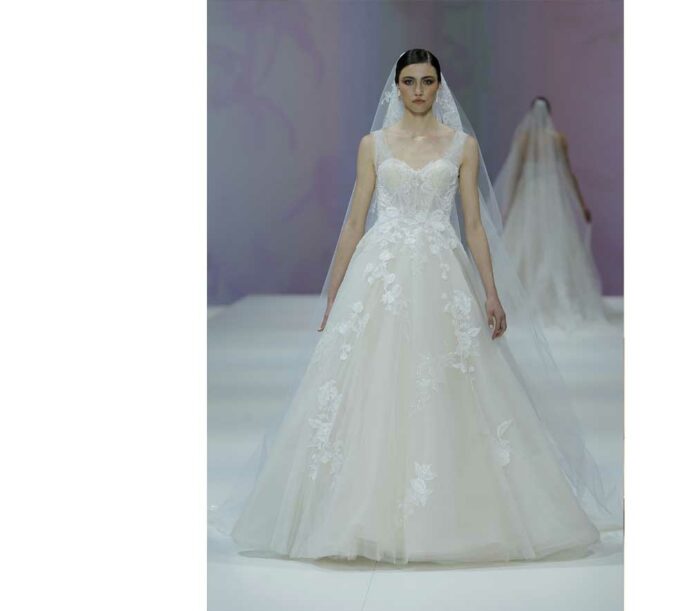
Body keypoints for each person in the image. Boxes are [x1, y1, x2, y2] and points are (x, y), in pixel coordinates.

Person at [208, 49, 621, 565]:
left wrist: (491, 292)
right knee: (372, 381)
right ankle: (356, 513)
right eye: (409, 81)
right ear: (396, 86)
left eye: (427, 81)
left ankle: (452, 510)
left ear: (439, 86)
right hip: (380, 276)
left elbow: (474, 226)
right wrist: (335, 294)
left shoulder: (463, 146)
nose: (419, 90)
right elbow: (354, 222)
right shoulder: (374, 145)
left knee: (448, 383)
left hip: (442, 272)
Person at [494, 97, 609, 329]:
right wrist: (581, 204)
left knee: (526, 243)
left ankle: (520, 296)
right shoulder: (558, 139)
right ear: (550, 113)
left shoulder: (524, 138)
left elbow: (515, 172)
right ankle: (555, 298)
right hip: (552, 197)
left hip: (528, 196)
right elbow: (568, 174)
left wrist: (509, 204)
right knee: (553, 243)